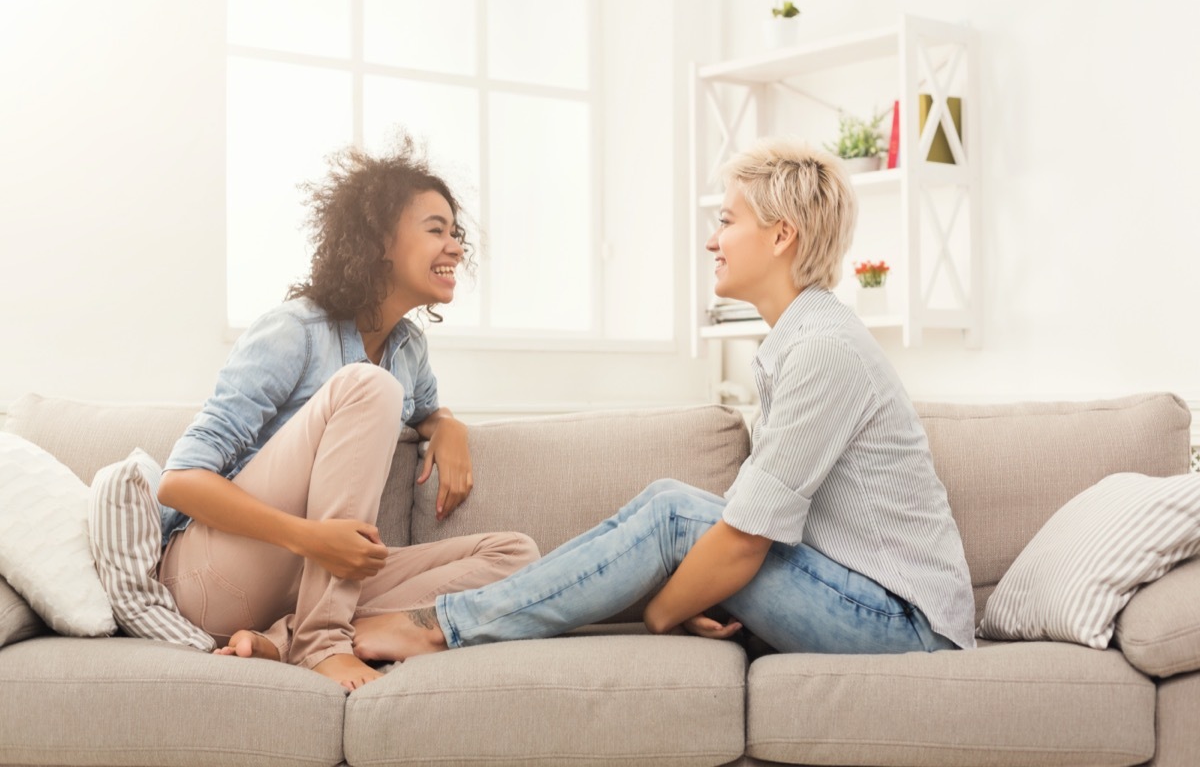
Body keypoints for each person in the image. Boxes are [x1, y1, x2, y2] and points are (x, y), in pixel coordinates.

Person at [349, 139, 976, 662]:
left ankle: (441, 627)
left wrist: (663, 610)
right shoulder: (803, 340)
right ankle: (445, 621)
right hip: (862, 602)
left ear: (782, 235)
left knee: (674, 513)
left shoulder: (823, 350)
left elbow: (744, 540)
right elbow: (748, 526)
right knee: (666, 504)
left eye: (727, 221)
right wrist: (702, 595)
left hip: (910, 629)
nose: (713, 241)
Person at [156, 138, 539, 691]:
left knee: (515, 556)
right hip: (208, 578)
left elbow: (426, 408)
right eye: (436, 229)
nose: (455, 245)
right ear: (382, 240)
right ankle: (322, 642)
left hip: (297, 588)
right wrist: (309, 538)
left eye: (456, 232)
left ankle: (284, 639)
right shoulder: (295, 331)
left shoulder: (407, 348)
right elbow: (179, 483)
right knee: (368, 386)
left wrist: (446, 424)